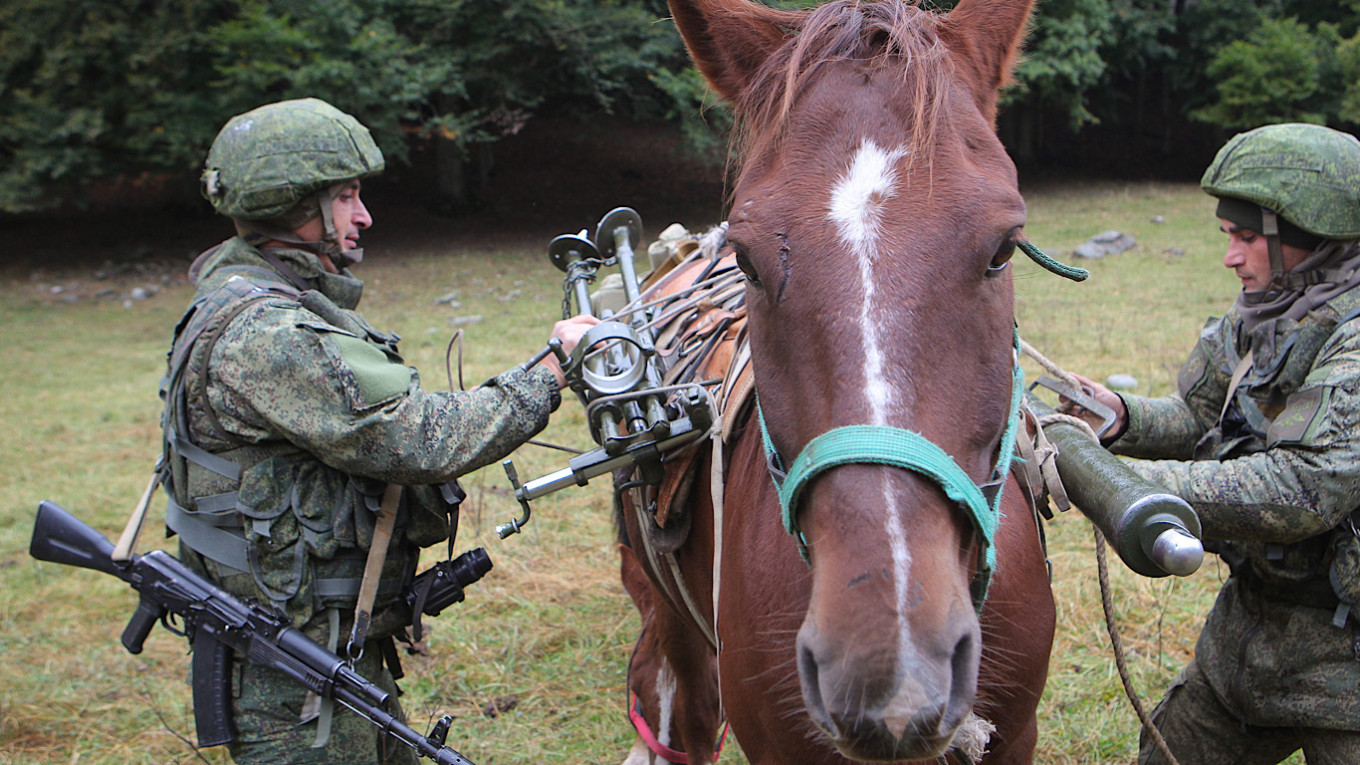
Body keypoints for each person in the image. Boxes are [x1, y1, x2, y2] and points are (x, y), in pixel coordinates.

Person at [160, 98, 596, 764]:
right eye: (347, 197)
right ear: (294, 205)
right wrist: (551, 368)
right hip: (293, 682)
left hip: (322, 654)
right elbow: (417, 438)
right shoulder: (265, 332)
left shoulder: (258, 298)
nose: (363, 215)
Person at [1063, 123, 1360, 765]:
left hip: (1347, 667)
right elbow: (1201, 415)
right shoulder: (1266, 310)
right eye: (1230, 236)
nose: (1230, 257)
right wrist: (1118, 419)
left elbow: (1304, 489)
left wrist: (1124, 484)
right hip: (1248, 640)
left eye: (1247, 238)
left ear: (1310, 240)